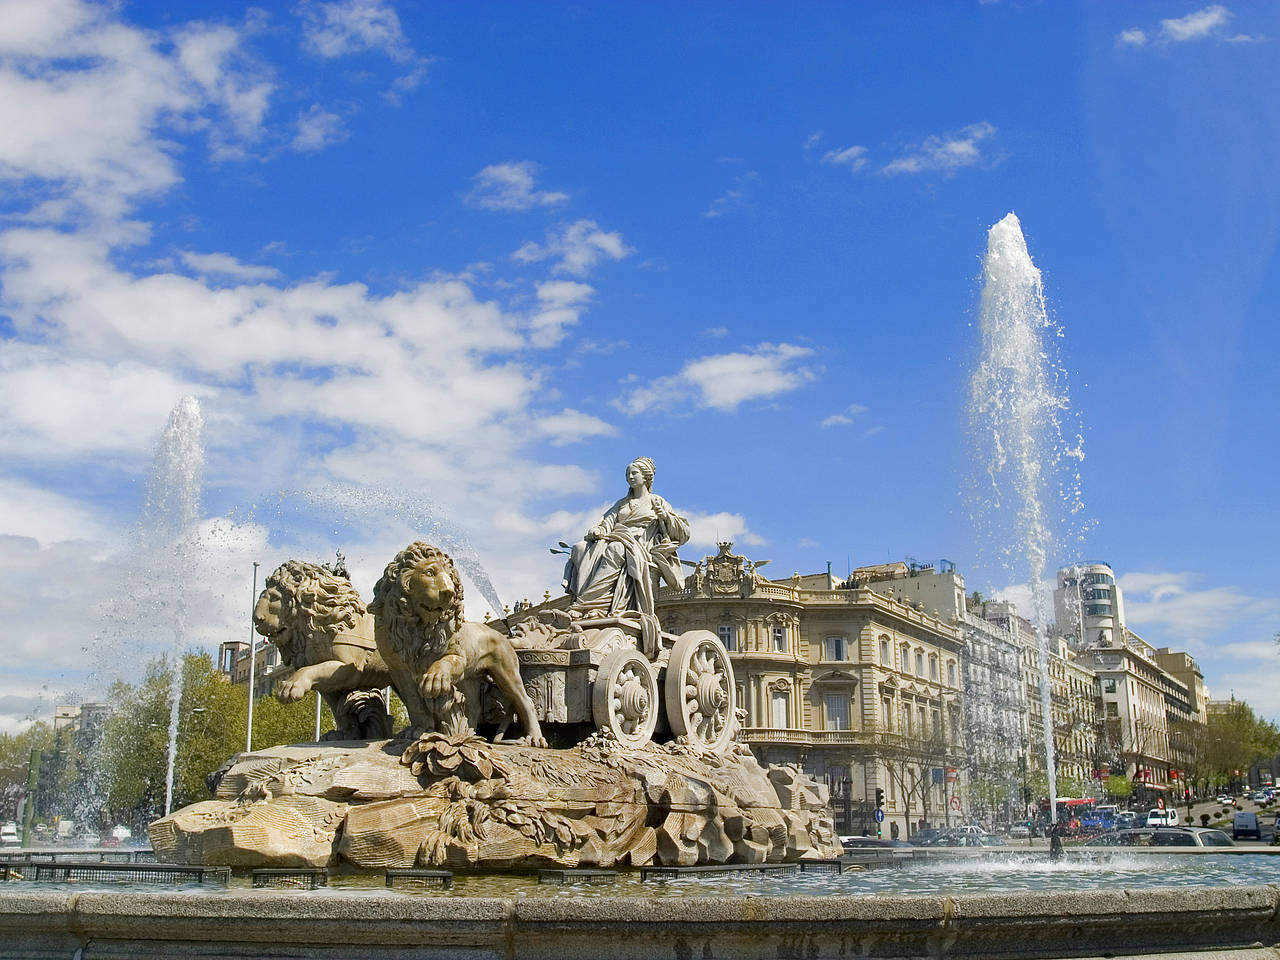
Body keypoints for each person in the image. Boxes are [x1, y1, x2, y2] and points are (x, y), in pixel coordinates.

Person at [562, 457, 691, 621]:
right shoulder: (621, 503)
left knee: (616, 548)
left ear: (645, 476)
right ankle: (586, 601)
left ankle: (590, 604)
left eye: (634, 473)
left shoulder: (657, 501)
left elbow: (684, 532)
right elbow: (607, 521)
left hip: (642, 545)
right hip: (617, 537)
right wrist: (598, 529)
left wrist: (665, 516)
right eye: (627, 474)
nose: (630, 477)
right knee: (579, 548)